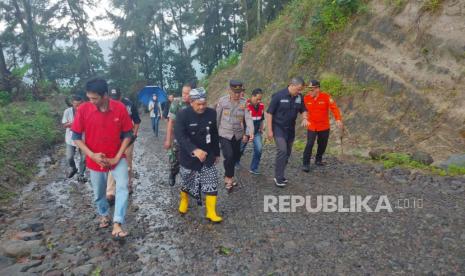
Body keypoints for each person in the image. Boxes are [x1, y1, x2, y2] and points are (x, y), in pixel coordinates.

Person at [71, 78, 133, 240]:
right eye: (89, 98)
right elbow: (76, 136)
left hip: (117, 158)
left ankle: (118, 223)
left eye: (94, 98)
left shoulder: (119, 108)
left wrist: (117, 157)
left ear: (105, 95)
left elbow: (128, 134)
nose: (91, 102)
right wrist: (92, 155)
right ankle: (104, 214)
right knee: (99, 192)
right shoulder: (84, 110)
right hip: (94, 159)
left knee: (122, 187)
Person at [174, 87, 222, 223]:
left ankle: (211, 212)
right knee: (186, 181)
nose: (202, 107)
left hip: (208, 155)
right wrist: (194, 150)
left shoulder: (212, 114)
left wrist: (216, 152)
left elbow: (214, 134)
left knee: (212, 180)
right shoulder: (183, 115)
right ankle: (184, 200)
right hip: (188, 156)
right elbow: (180, 136)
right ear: (191, 102)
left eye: (204, 104)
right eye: (198, 104)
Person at [266, 77, 307, 187]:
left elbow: (303, 109)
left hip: (290, 129)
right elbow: (269, 113)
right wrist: (269, 130)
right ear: (292, 85)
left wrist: (304, 118)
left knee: (287, 153)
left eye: (301, 90)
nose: (299, 92)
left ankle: (280, 174)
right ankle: (278, 177)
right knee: (282, 151)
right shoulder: (278, 96)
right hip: (278, 128)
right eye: (298, 89)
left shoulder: (299, 97)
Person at [216, 80, 254, 191]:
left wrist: (250, 131)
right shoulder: (222, 101)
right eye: (235, 92)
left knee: (235, 156)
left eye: (239, 92)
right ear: (229, 91)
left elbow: (248, 118)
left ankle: (228, 173)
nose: (237, 94)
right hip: (224, 133)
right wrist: (215, 134)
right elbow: (217, 118)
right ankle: (229, 178)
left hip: (237, 135)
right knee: (229, 155)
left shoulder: (244, 103)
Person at [106, 88, 141, 203]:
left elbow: (137, 120)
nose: (114, 101)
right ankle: (110, 192)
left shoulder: (130, 105)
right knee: (112, 161)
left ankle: (128, 184)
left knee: (127, 162)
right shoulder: (106, 105)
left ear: (121, 97)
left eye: (117, 98)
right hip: (113, 139)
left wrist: (134, 133)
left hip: (127, 138)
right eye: (112, 98)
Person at [302, 80, 343, 172]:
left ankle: (318, 159)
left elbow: (334, 108)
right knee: (309, 143)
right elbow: (301, 109)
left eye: (312, 89)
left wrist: (338, 119)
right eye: (309, 89)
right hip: (311, 125)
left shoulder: (326, 97)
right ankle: (305, 163)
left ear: (317, 89)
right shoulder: (306, 98)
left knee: (322, 144)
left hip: (324, 126)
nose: (310, 91)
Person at [164, 83, 193, 186]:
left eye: (187, 93)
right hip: (177, 136)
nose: (185, 95)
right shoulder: (176, 103)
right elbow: (170, 122)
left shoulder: (195, 103)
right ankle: (173, 173)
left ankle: (189, 182)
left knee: (191, 159)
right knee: (175, 160)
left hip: (190, 137)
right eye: (183, 93)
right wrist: (168, 140)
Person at [62, 94, 86, 182]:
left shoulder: (86, 111)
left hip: (83, 138)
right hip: (70, 139)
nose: (78, 107)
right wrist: (75, 124)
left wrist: (72, 124)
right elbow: (65, 125)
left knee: (84, 158)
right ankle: (73, 168)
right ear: (72, 103)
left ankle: (81, 174)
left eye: (80, 105)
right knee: (69, 157)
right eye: (76, 105)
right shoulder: (67, 112)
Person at [244, 88, 266, 174]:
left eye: (260, 99)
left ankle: (253, 168)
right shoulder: (246, 105)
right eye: (257, 99)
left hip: (256, 132)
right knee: (240, 148)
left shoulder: (261, 106)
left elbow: (261, 118)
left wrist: (261, 128)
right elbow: (241, 120)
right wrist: (243, 134)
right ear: (252, 96)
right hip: (246, 132)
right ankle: (236, 161)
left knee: (259, 148)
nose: (259, 101)